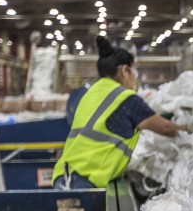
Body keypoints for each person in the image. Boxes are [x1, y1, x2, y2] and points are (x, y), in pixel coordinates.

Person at [53, 36, 183, 189]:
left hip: (65, 177)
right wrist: (191, 129)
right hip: (83, 183)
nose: (134, 78)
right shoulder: (125, 98)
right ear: (124, 71)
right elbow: (165, 127)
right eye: (133, 72)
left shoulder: (90, 93)